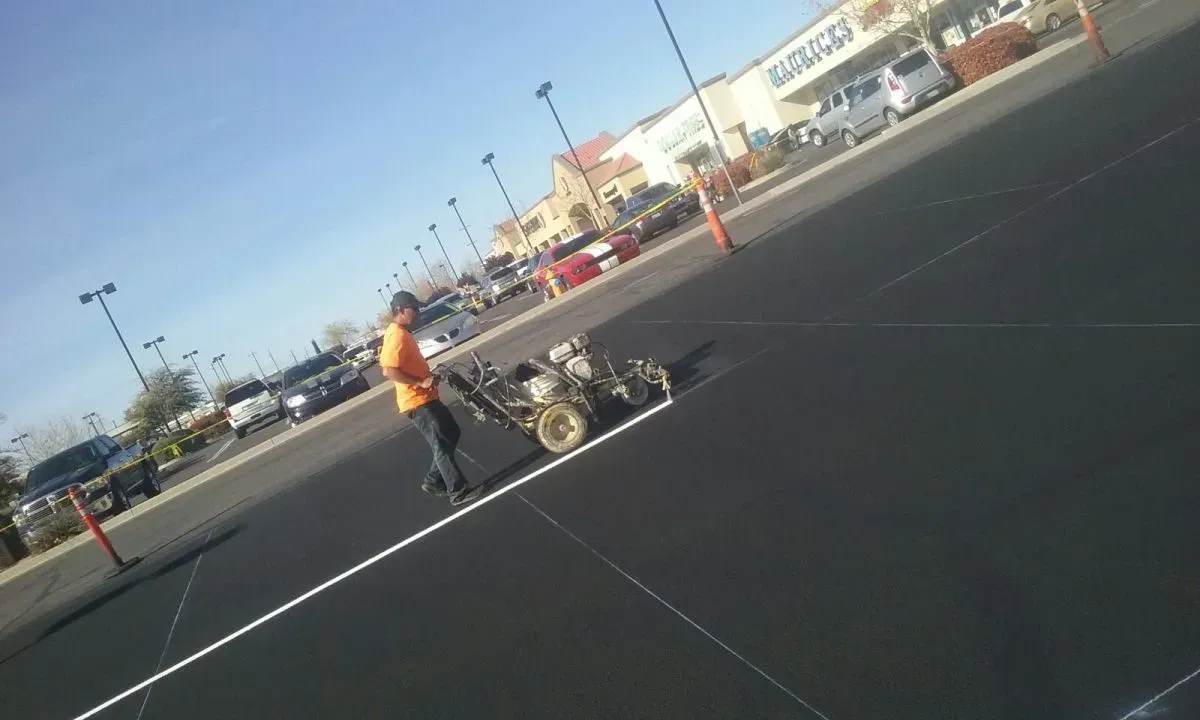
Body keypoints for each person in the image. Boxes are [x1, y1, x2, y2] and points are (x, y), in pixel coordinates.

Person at [379, 291, 479, 505]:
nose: (419, 313)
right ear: (400, 310)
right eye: (414, 309)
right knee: (441, 443)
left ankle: (434, 479)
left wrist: (428, 377)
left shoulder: (403, 333)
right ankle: (457, 491)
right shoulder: (396, 334)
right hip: (417, 401)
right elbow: (389, 370)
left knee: (451, 432)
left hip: (426, 396)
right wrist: (419, 382)